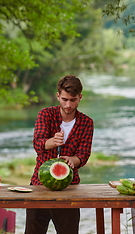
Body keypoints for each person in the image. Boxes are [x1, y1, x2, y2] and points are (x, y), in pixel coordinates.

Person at [25, 75, 94, 234]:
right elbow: (38, 144)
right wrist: (52, 141)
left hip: (70, 187)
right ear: (58, 96)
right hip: (39, 185)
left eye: (73, 100)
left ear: (80, 97)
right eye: (64, 99)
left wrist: (73, 160)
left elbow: (83, 155)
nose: (68, 104)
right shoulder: (45, 114)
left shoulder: (86, 122)